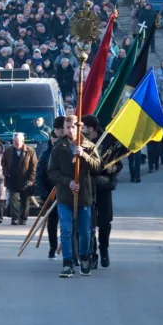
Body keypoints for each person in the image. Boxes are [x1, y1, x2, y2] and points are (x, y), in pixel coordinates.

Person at [46, 115, 101, 278]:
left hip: (83, 196)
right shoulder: (58, 147)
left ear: (79, 127)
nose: (70, 130)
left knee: (85, 232)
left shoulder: (88, 145)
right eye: (67, 127)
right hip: (65, 196)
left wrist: (84, 155)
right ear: (64, 128)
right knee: (65, 230)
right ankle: (68, 263)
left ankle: (84, 259)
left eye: (73, 127)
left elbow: (98, 167)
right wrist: (68, 182)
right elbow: (52, 172)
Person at [84, 115, 122, 268]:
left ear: (91, 128)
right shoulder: (82, 142)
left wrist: (110, 168)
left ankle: (104, 249)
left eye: (84, 127)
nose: (81, 130)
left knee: (105, 223)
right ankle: (92, 254)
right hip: (87, 188)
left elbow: (118, 164)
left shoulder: (108, 142)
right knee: (89, 223)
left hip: (104, 186)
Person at [2, 132, 37, 226]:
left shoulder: (30, 151)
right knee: (13, 200)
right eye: (14, 141)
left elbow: (33, 166)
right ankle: (15, 218)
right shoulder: (8, 151)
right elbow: (3, 163)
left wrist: (31, 179)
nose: (15, 142)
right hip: (12, 178)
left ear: (22, 141)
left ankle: (23, 218)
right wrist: (6, 174)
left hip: (25, 179)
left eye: (17, 140)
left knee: (24, 200)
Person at [35, 127, 59, 259]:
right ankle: (52, 247)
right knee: (52, 222)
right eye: (53, 137)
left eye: (57, 137)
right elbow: (39, 175)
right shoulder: (45, 154)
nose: (55, 139)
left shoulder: (67, 151)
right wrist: (43, 193)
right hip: (51, 194)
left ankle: (72, 251)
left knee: (68, 224)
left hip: (66, 192)